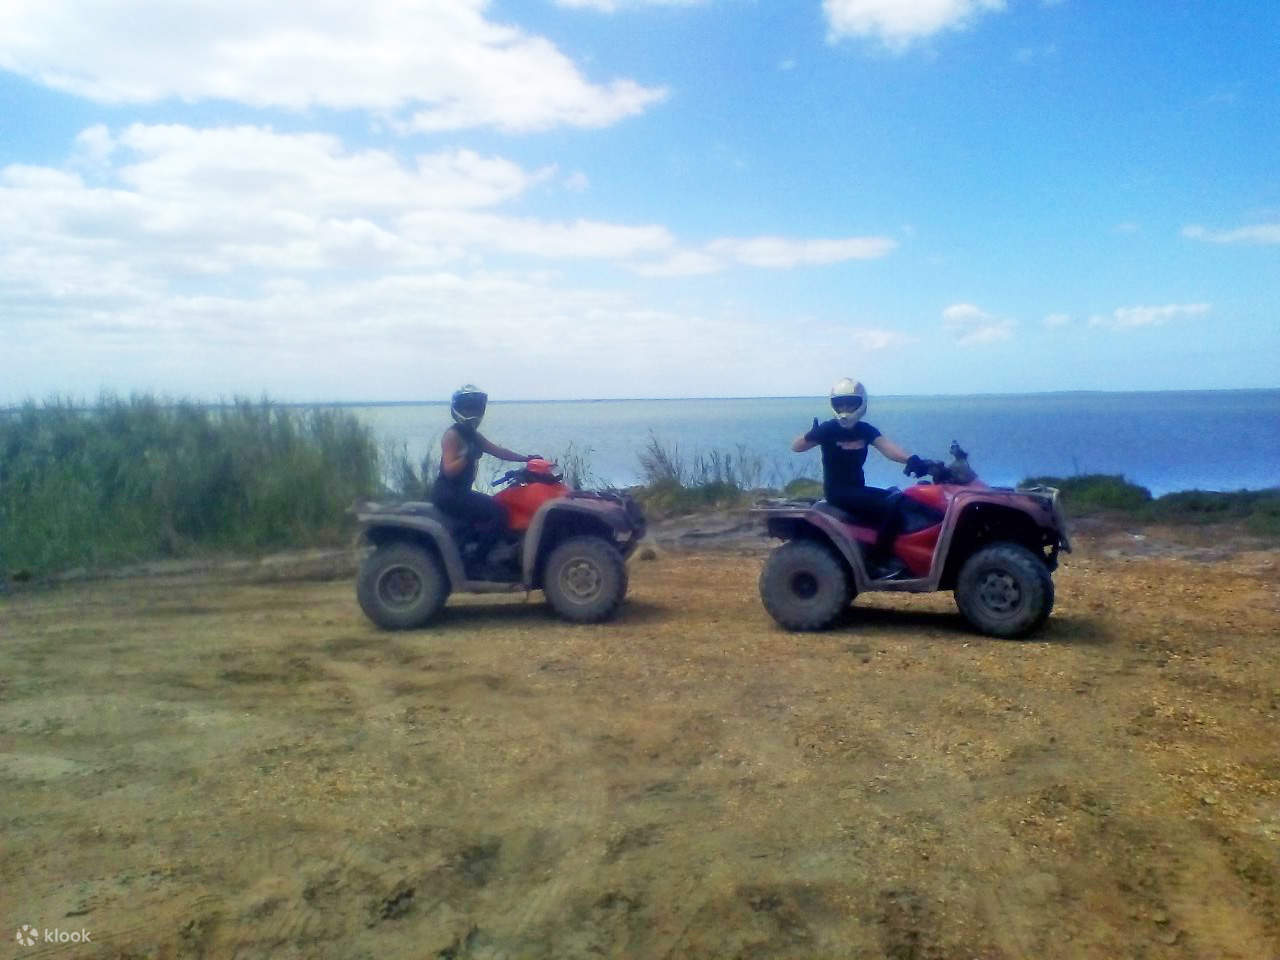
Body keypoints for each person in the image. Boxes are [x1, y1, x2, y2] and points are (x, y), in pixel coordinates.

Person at [791, 378, 926, 578]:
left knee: (900, 497)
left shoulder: (865, 430)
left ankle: (895, 551)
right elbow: (796, 447)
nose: (845, 407)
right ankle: (878, 561)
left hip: (857, 489)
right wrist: (810, 435)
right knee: (892, 508)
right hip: (838, 493)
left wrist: (910, 459)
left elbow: (887, 448)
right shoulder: (828, 429)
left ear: (860, 403)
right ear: (834, 405)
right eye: (840, 403)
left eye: (850, 403)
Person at [432, 385, 538, 575]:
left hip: (460, 493)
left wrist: (527, 459)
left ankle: (477, 551)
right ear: (458, 409)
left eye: (476, 408)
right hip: (449, 494)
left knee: (495, 506)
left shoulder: (472, 435)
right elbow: (449, 470)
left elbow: (499, 451)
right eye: (467, 408)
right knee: (499, 513)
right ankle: (477, 562)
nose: (472, 413)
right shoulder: (452, 435)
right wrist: (467, 456)